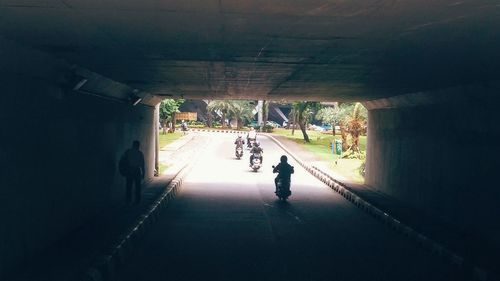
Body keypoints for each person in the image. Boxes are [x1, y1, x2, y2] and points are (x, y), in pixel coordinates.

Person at [121, 140, 145, 205]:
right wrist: (143, 173)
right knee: (138, 186)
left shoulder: (128, 152)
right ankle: (137, 201)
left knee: (129, 186)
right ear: (138, 146)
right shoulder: (140, 153)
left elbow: (123, 160)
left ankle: (128, 200)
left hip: (129, 170)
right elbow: (142, 164)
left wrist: (123, 170)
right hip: (137, 170)